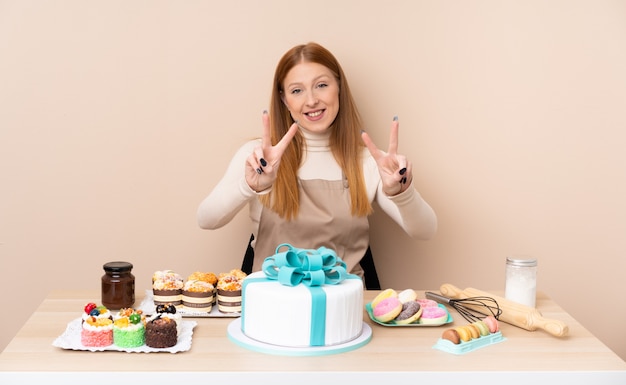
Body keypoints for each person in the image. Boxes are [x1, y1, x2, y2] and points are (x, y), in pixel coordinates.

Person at [197, 42, 436, 289]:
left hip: (344, 314)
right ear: (284, 99)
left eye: (321, 85)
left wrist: (402, 192)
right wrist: (249, 185)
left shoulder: (371, 162)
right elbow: (206, 219)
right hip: (270, 310)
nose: (311, 100)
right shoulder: (258, 158)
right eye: (297, 90)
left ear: (339, 89)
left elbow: (426, 230)